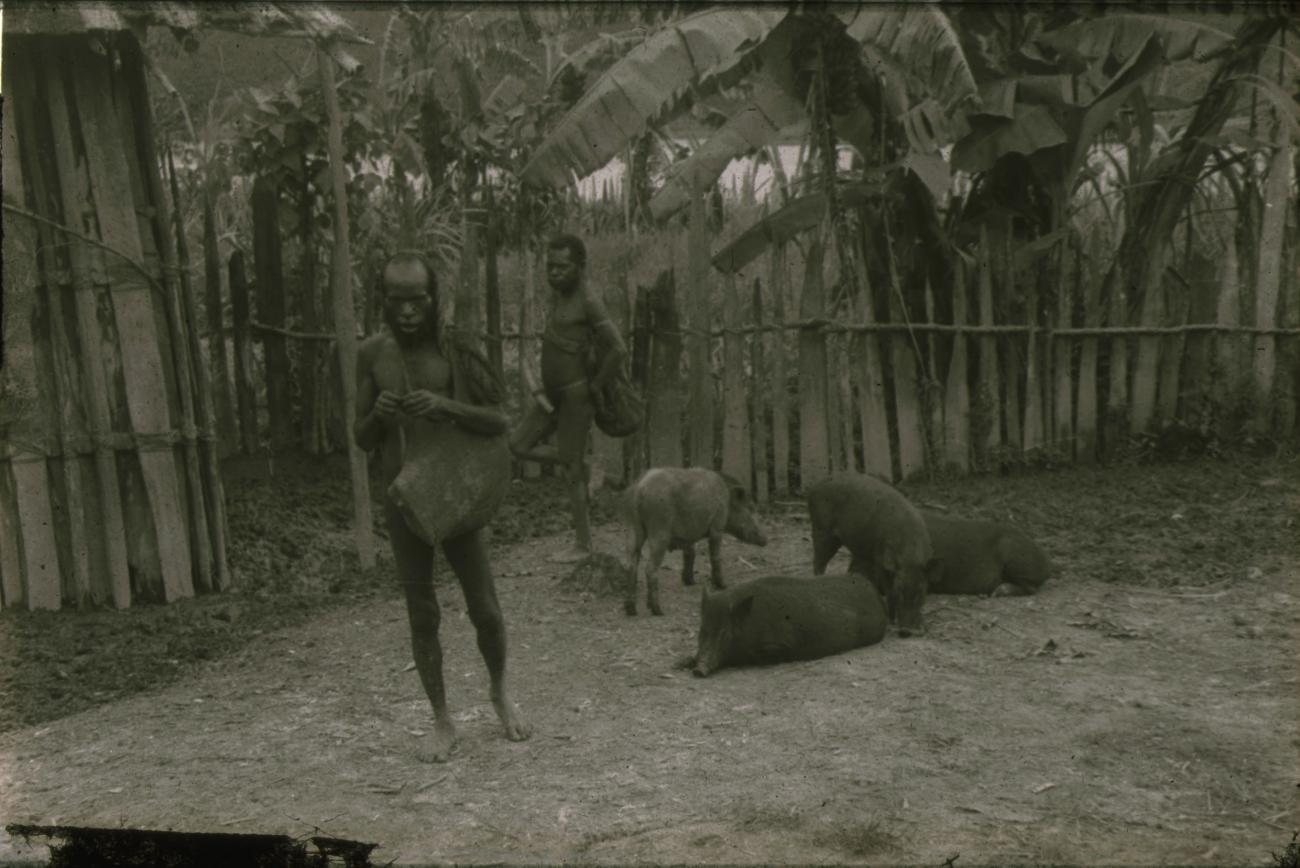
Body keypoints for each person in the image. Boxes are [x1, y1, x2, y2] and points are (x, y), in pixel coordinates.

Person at [354, 252, 530, 763]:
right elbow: (359, 436)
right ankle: (442, 720)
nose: (408, 310)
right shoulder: (372, 355)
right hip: (404, 502)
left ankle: (499, 692)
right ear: (383, 301)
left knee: (486, 612)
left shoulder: (455, 349)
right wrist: (379, 416)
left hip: (454, 498)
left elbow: (498, 420)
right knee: (423, 614)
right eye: (397, 300)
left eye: (418, 299)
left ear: (434, 299)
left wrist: (445, 406)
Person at [510, 233, 628, 563]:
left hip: (576, 396)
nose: (554, 273)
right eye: (550, 267)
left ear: (580, 267)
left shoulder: (588, 299)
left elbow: (619, 349)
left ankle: (583, 544)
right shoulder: (558, 297)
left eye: (562, 267)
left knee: (571, 472)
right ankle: (584, 463)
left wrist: (596, 385)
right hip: (551, 396)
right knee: (518, 444)